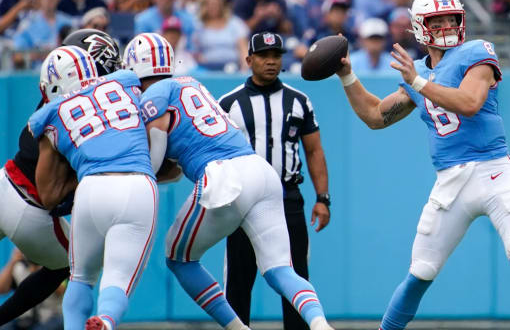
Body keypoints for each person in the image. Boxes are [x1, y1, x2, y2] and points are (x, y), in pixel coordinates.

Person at [334, 0, 510, 330]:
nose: (445, 26)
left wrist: (419, 83)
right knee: (419, 274)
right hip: (450, 182)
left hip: (494, 171)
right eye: (436, 20)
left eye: (450, 18)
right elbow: (376, 116)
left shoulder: (476, 53)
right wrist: (347, 75)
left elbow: (469, 104)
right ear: (419, 26)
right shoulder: (418, 74)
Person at [125, 32, 334, 330]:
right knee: (280, 269)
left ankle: (237, 328)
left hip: (226, 178)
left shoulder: (153, 96)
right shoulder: (192, 84)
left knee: (178, 256)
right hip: (261, 173)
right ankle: (320, 323)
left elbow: (155, 157)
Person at [28, 45, 157, 330]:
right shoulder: (126, 79)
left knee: (80, 277)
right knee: (119, 276)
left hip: (90, 189)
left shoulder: (47, 114)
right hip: (137, 184)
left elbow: (48, 194)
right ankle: (107, 321)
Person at [0, 28, 123, 327]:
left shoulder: (55, 96)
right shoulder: (87, 104)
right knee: (73, 265)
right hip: (32, 208)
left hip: (4, 180)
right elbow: (53, 193)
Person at [218, 31, 331, 330]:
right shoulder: (228, 103)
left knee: (295, 275)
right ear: (249, 59)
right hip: (243, 200)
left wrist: (322, 198)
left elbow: (314, 150)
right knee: (239, 281)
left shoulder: (299, 101)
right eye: (264, 56)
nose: (270, 62)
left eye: (276, 56)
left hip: (287, 197)